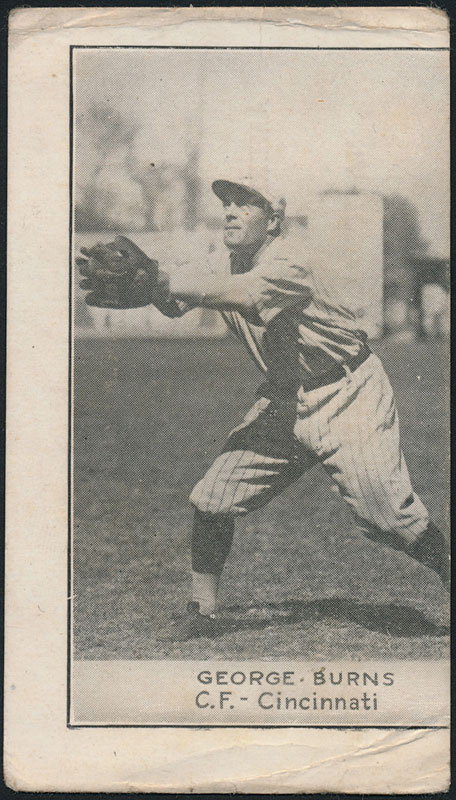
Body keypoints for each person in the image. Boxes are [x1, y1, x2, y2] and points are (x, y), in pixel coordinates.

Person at [78, 177, 449, 641]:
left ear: (273, 220)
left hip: (347, 393)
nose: (231, 211)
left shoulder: (292, 261)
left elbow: (247, 294)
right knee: (212, 497)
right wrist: (152, 284)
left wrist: (159, 279)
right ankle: (202, 610)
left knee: (389, 518)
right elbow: (177, 299)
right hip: (283, 398)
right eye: (227, 202)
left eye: (246, 204)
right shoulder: (222, 261)